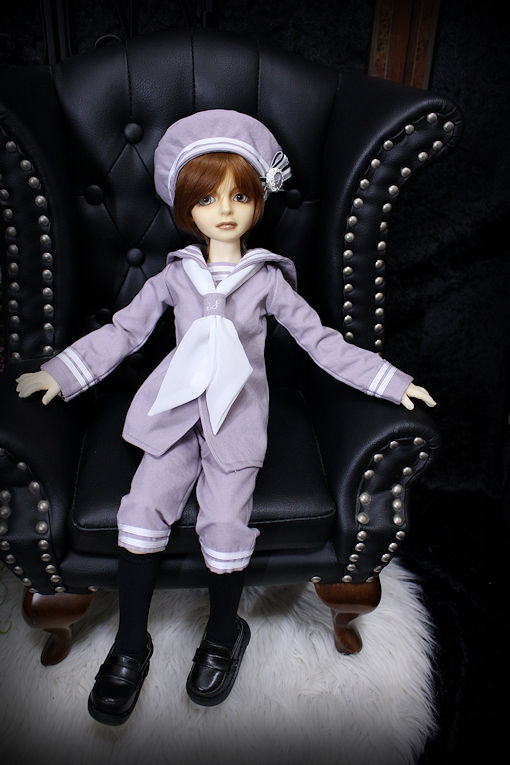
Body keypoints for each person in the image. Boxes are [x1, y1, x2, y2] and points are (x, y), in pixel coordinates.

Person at [15, 109, 436, 725]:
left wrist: (392, 382)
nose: (226, 211)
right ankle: (130, 644)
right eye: (208, 198)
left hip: (235, 418)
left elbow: (321, 341)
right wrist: (60, 372)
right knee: (141, 509)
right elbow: (124, 332)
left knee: (224, 521)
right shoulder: (175, 275)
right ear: (186, 207)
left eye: (240, 195)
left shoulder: (266, 281)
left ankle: (222, 633)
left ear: (259, 200)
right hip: (175, 412)